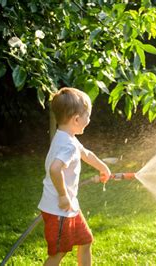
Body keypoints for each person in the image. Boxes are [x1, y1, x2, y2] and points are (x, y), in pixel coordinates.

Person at [38, 87, 112, 265]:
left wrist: (103, 168)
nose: (89, 119)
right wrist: (63, 196)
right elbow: (55, 169)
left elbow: (85, 153)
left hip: (70, 207)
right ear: (76, 119)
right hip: (60, 209)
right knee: (58, 253)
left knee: (85, 241)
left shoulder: (65, 136)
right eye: (87, 115)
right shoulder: (68, 145)